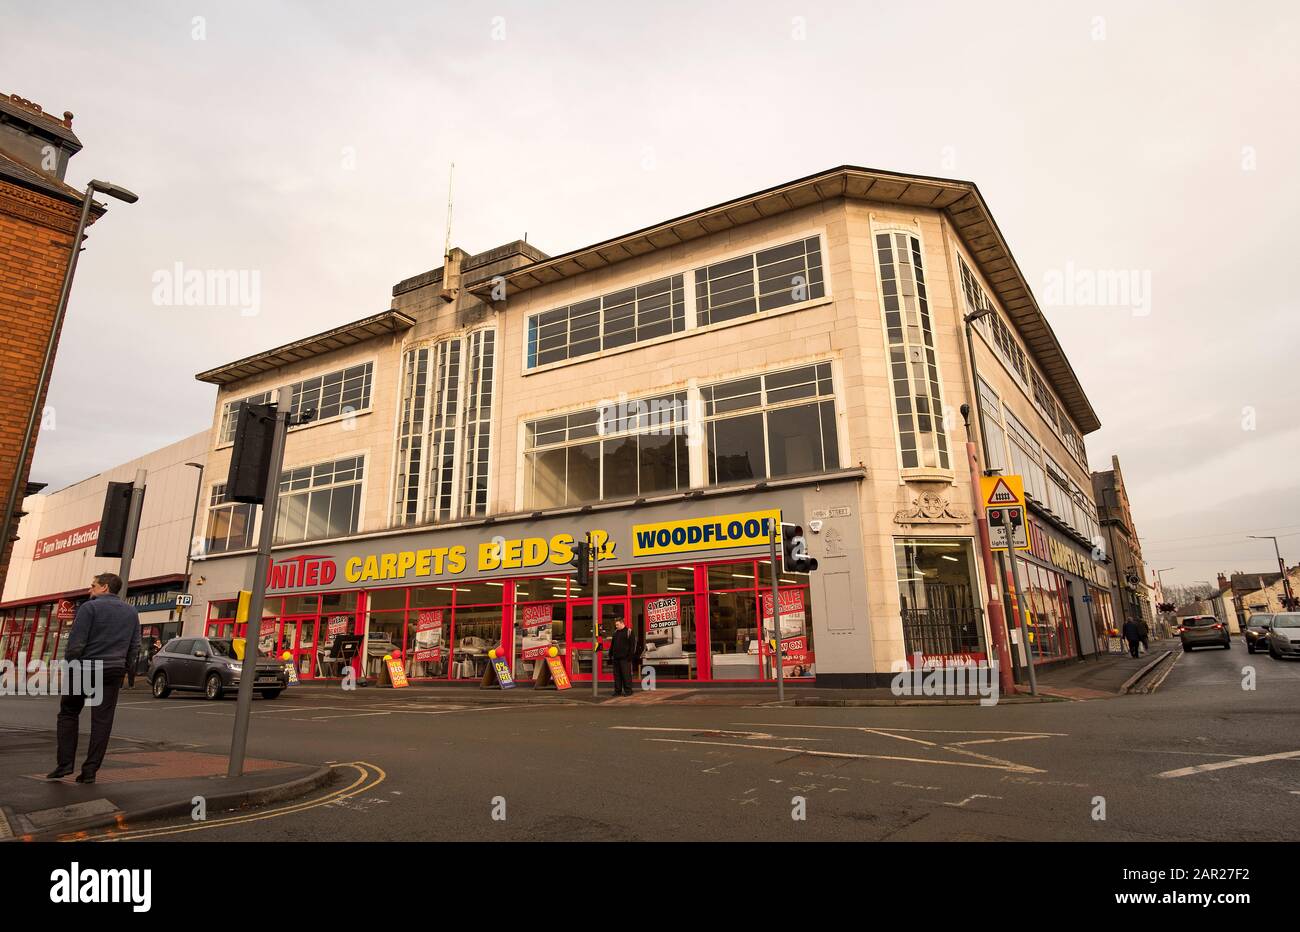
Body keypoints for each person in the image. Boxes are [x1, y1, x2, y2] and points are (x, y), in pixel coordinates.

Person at [48, 573, 140, 784]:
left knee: (69, 712)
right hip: (113, 670)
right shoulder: (131, 612)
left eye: (93, 586)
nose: (90, 590)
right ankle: (90, 771)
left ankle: (64, 765)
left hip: (85, 668)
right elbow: (134, 646)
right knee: (102, 721)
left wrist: (70, 665)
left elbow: (76, 643)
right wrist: (124, 668)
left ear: (105, 587)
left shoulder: (89, 608)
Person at [608, 618, 635, 697]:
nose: (616, 626)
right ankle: (617, 691)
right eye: (616, 625)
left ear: (622, 623)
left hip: (625, 658)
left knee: (626, 675)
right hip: (616, 658)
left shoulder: (629, 632)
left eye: (617, 624)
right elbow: (612, 645)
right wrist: (610, 654)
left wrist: (630, 657)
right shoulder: (615, 632)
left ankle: (628, 691)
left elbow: (632, 645)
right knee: (617, 676)